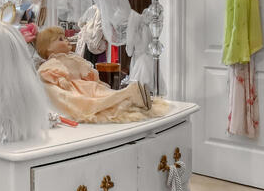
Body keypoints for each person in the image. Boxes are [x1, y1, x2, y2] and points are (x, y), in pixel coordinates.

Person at [35, 26, 167, 123]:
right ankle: (129, 94)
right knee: (93, 101)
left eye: (65, 37)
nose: (67, 40)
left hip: (86, 85)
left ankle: (131, 97)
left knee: (103, 92)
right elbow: (47, 72)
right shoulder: (54, 61)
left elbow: (86, 72)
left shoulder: (74, 58)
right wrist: (60, 79)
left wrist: (96, 80)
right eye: (61, 39)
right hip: (75, 89)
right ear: (49, 48)